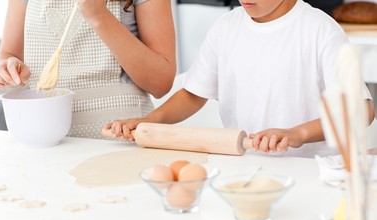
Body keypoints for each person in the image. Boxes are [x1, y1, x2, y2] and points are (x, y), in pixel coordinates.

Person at [106, 0, 375, 158]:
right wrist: (147, 121)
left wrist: (297, 134)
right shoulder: (226, 27)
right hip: (247, 167)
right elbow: (193, 94)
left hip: (311, 171)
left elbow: (362, 110)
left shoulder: (320, 29)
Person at [0, 0, 176, 139]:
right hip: (45, 139)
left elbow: (161, 83)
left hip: (120, 137)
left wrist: (98, 16)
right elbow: (9, 53)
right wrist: (9, 65)